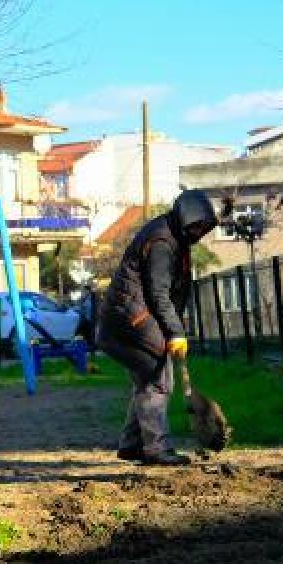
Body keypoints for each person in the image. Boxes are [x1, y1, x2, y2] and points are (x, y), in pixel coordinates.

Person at [96, 189, 217, 466]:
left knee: (148, 377)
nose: (201, 233)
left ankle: (131, 444)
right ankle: (156, 449)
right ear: (188, 218)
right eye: (198, 227)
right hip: (129, 320)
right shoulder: (163, 241)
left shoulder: (174, 236)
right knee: (157, 378)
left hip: (125, 318)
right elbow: (158, 293)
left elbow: (171, 294)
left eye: (205, 228)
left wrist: (175, 328)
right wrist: (174, 332)